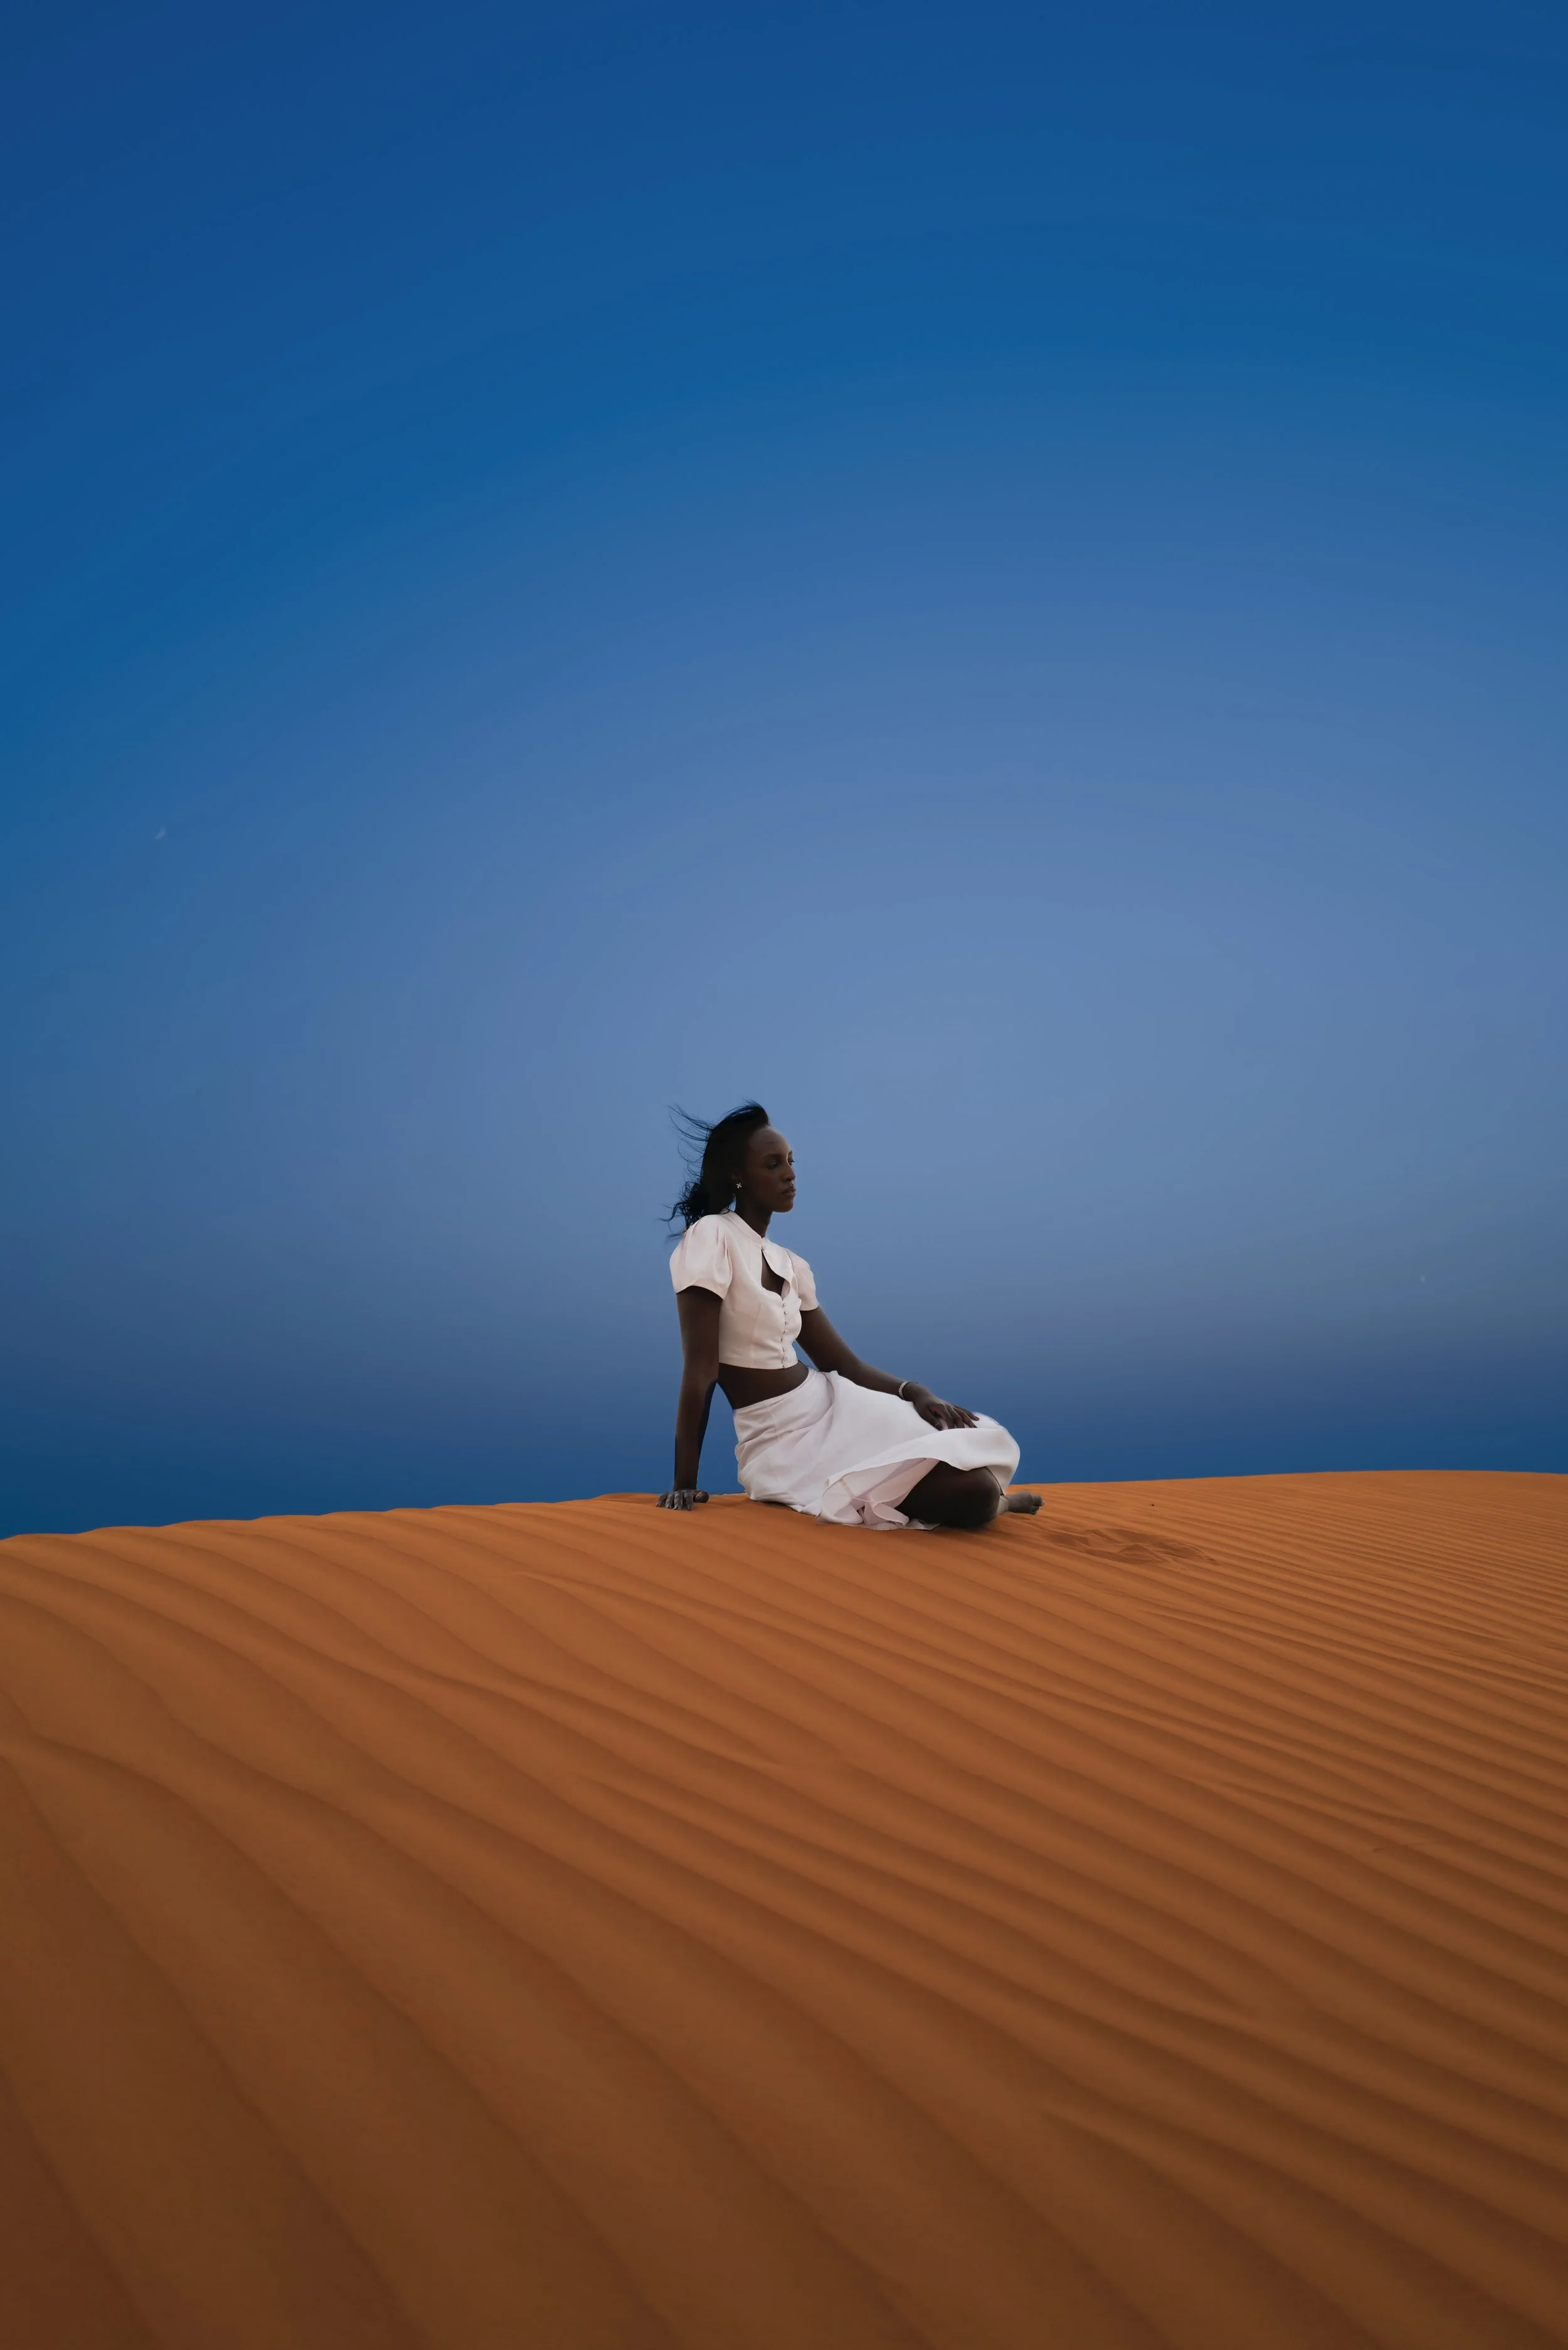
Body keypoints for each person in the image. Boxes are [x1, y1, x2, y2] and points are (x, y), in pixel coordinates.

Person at [658, 1102, 1041, 1529]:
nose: (790, 1174)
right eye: (772, 1164)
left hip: (835, 1407)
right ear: (738, 1175)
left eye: (791, 1161)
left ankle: (995, 1501)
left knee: (970, 1456)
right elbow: (701, 1371)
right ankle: (999, 1505)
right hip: (779, 1442)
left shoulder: (791, 1264)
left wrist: (916, 1392)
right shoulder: (711, 1236)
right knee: (975, 1496)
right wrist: (684, 1483)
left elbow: (843, 1364)